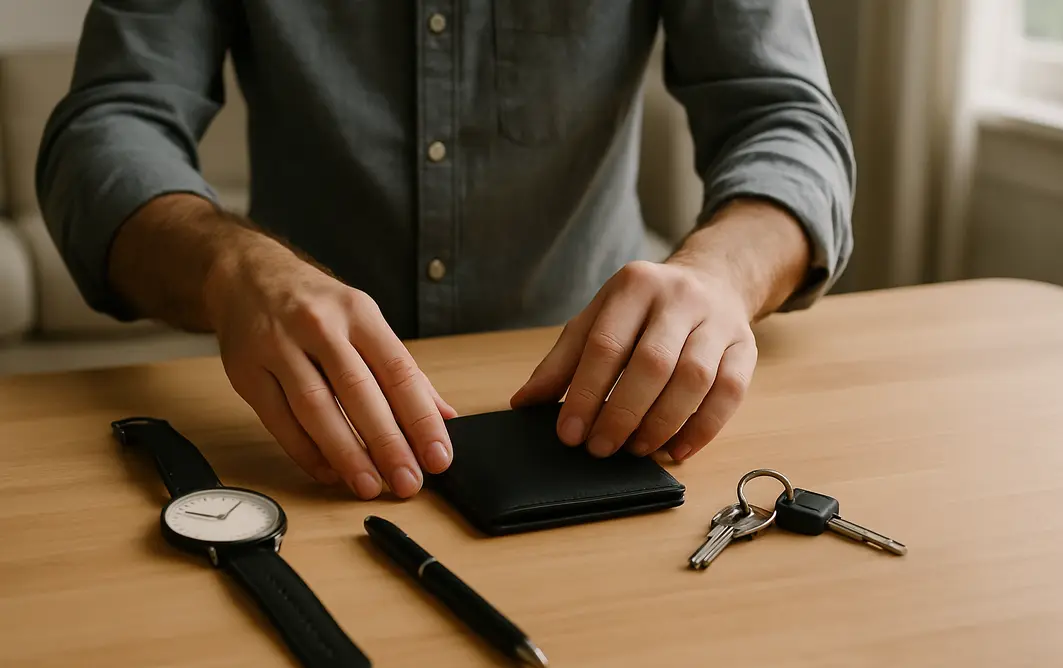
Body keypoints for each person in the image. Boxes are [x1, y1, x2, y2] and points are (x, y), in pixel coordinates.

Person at [36, 1, 855, 501]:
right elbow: (107, 125)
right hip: (294, 443)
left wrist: (719, 273)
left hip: (607, 418)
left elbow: (785, 118)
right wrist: (231, 267)